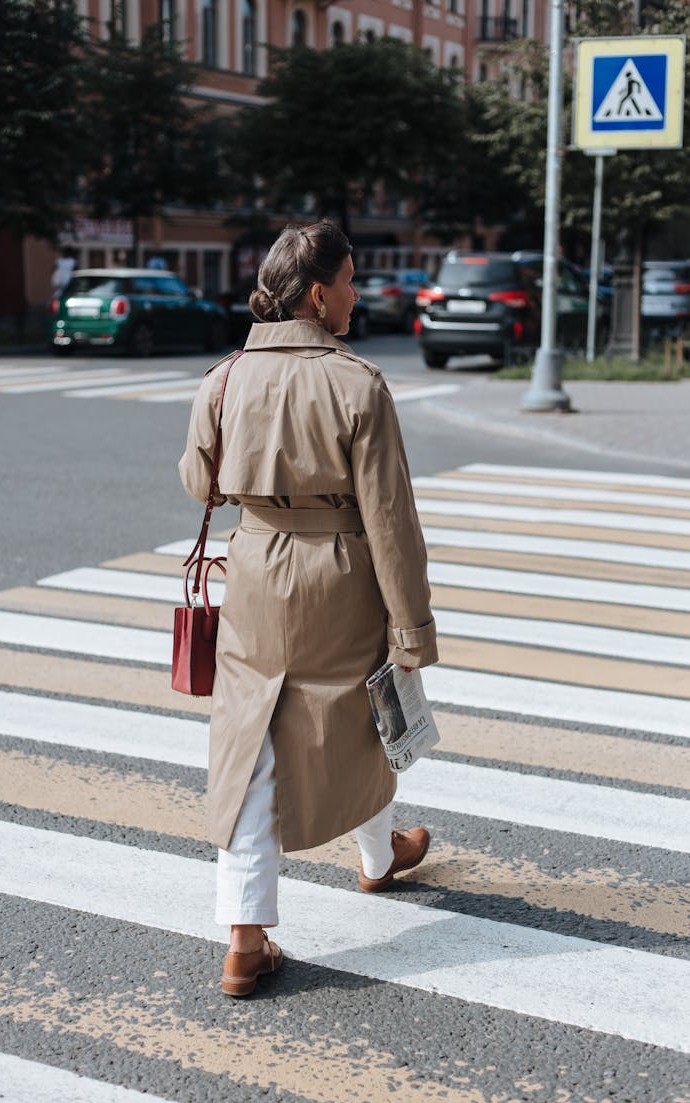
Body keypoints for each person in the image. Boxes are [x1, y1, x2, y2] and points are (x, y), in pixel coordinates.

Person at [179, 221, 438, 998]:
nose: (357, 294)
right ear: (319, 295)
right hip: (341, 571)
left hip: (257, 567)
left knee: (251, 740)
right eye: (352, 282)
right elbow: (391, 519)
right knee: (356, 719)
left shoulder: (223, 378)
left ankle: (248, 936)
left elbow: (200, 484)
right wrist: (412, 627)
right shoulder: (358, 383)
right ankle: (377, 857)